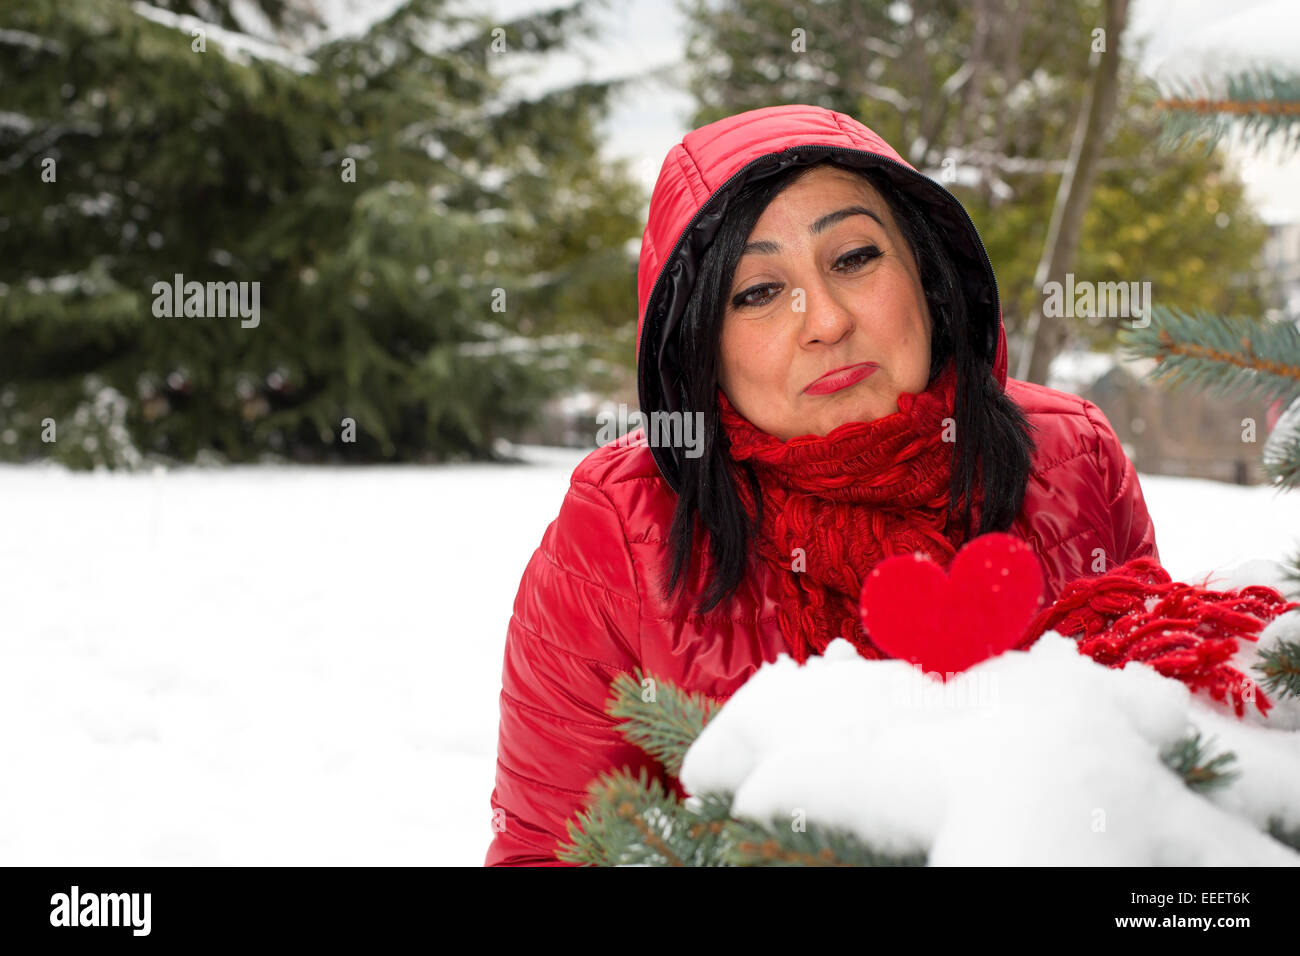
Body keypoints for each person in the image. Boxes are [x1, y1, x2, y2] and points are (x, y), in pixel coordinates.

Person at [484, 103, 1160, 866]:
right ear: (700, 347)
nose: (827, 321)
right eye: (758, 292)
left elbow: (1169, 776)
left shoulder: (1075, 459)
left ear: (927, 274)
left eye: (853, 259)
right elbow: (551, 850)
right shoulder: (613, 533)